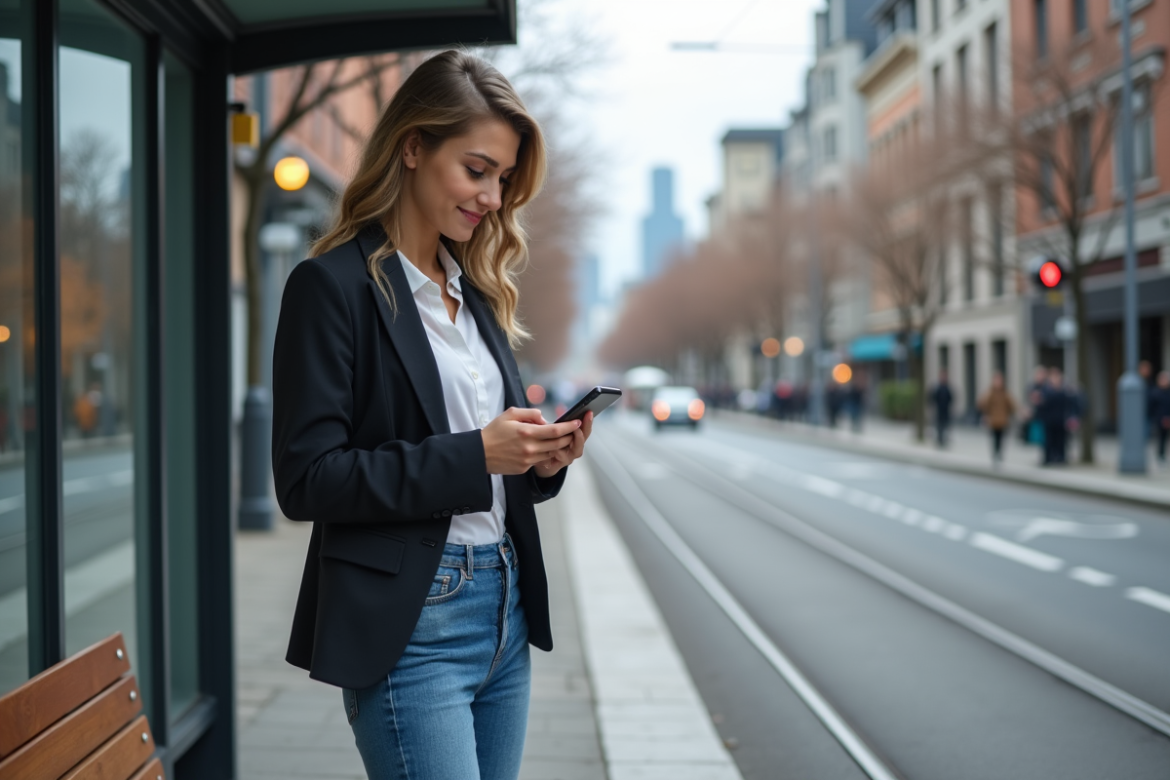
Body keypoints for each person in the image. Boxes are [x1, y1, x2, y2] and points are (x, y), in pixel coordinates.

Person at [270, 51, 590, 780]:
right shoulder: (331, 288)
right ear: (412, 147)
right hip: (415, 623)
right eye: (477, 170)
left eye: (504, 179)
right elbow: (307, 480)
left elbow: (487, 466)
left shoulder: (474, 294)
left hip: (503, 607)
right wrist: (476, 453)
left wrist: (539, 461)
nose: (493, 197)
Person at [1037, 368, 1078, 465]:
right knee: (1048, 440)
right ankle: (1048, 458)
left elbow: (1071, 403)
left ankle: (1061, 458)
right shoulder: (1046, 390)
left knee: (1061, 440)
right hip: (1049, 420)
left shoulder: (1064, 390)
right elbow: (1041, 404)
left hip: (1060, 420)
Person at [977, 372, 1016, 463]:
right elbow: (982, 404)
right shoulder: (990, 392)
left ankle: (999, 453)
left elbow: (1012, 405)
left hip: (1002, 420)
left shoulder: (1005, 393)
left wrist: (1010, 413)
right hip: (993, 420)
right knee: (994, 438)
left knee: (1001, 438)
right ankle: (995, 454)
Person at [930, 369, 954, 447]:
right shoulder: (937, 388)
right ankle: (939, 440)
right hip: (939, 410)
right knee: (939, 426)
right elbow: (933, 398)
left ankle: (944, 440)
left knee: (945, 426)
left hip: (946, 411)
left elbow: (951, 398)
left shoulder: (947, 387)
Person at [1151, 371, 1170, 465]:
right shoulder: (1156, 393)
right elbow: (1152, 407)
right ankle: (1160, 457)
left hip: (1168, 418)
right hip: (1160, 419)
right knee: (1161, 438)